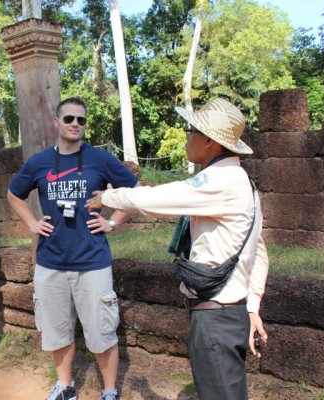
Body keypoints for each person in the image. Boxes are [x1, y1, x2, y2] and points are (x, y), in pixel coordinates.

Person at [85, 98, 269, 400]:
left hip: (216, 320)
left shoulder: (221, 181)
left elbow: (155, 200)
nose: (187, 137)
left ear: (208, 141)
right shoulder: (244, 183)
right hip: (230, 314)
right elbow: (257, 249)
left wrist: (107, 198)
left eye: (190, 130)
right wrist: (252, 306)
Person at [8, 97, 139, 400]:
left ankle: (109, 391)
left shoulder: (100, 159)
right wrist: (31, 223)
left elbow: (133, 192)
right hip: (50, 262)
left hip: (92, 261)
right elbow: (14, 194)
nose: (75, 124)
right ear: (56, 122)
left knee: (102, 332)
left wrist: (113, 222)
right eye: (69, 119)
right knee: (56, 331)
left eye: (81, 120)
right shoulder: (39, 162)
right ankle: (66, 387)